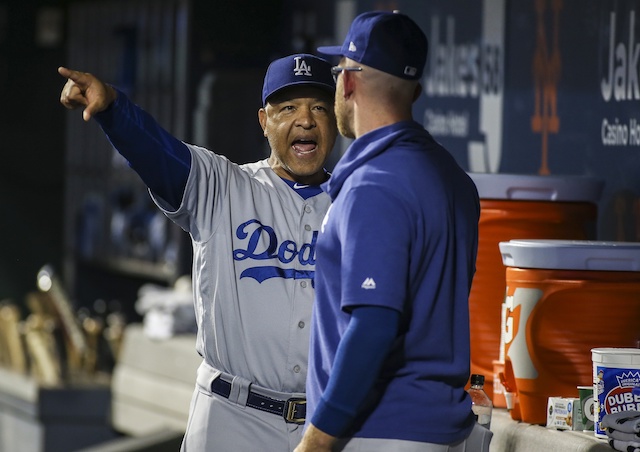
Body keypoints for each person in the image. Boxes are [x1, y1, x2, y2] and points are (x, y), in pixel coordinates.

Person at [58, 53, 338, 451]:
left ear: (337, 120)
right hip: (233, 418)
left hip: (322, 427)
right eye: (289, 107)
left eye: (319, 108)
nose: (306, 120)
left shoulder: (355, 202)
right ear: (264, 121)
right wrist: (114, 111)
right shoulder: (223, 185)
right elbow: (159, 153)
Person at [295, 11, 492, 452]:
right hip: (439, 430)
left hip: (378, 432)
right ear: (415, 92)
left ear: (348, 83)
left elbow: (374, 325)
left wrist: (317, 440)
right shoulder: (453, 178)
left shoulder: (375, 184)